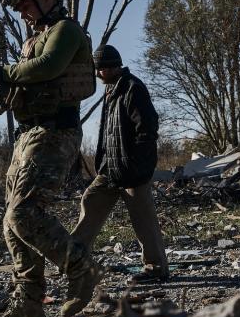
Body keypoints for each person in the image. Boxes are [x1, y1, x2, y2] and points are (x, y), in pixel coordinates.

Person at [0, 0, 102, 317]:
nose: (24, 13)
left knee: (24, 213)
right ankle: (29, 309)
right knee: (11, 223)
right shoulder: (35, 38)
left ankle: (80, 267)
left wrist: (4, 72)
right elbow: (30, 75)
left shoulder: (66, 30)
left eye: (27, 4)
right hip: (29, 133)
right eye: (21, 8)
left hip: (54, 133)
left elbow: (48, 67)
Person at [71, 45, 168, 283]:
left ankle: (156, 269)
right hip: (110, 170)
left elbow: (148, 129)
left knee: (144, 220)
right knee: (90, 203)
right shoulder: (112, 89)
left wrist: (139, 165)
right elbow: (109, 133)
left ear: (109, 67)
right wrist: (103, 163)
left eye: (99, 69)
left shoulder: (132, 88)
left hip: (133, 170)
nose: (96, 74)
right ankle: (72, 260)